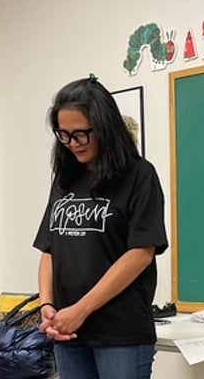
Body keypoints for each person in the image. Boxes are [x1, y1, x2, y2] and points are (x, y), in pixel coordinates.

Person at [33, 74, 168, 379]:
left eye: (80, 134)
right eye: (63, 135)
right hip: (68, 331)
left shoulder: (139, 176)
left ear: (104, 127)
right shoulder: (65, 180)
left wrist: (81, 310)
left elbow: (140, 254)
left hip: (119, 333)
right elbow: (49, 249)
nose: (71, 144)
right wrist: (47, 304)